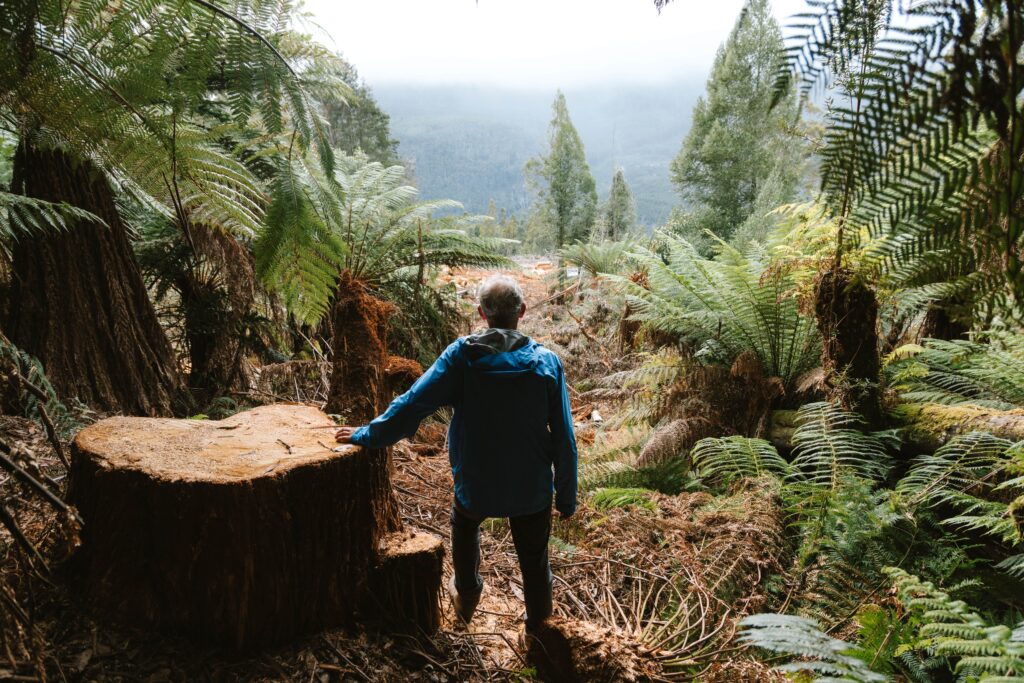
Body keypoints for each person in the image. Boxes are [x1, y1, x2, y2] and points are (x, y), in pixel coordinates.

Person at [335, 274, 578, 635]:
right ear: (522, 312)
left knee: (464, 525)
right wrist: (567, 497)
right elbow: (564, 438)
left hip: (477, 485)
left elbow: (413, 404)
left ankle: (466, 598)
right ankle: (541, 634)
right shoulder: (546, 364)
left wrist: (368, 434)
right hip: (532, 489)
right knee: (535, 562)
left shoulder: (462, 358)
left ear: (481, 313)